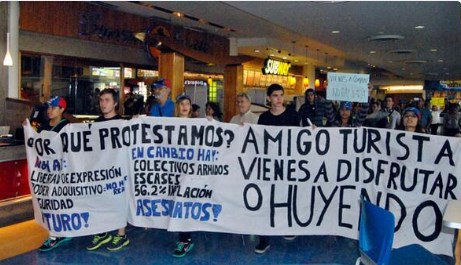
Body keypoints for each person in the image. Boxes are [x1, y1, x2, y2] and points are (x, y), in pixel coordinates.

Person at [255, 83, 300, 254]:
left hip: (288, 164)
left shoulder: (293, 115)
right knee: (267, 200)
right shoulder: (264, 118)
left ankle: (287, 227)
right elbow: (257, 140)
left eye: (281, 95)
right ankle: (264, 238)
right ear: (269, 98)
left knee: (286, 197)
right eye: (275, 95)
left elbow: (300, 138)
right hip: (269, 166)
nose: (279, 98)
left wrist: (312, 132)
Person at [86, 88, 130, 251]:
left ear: (115, 103)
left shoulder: (123, 124)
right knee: (100, 200)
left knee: (118, 201)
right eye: (101, 100)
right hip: (101, 170)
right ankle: (102, 231)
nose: (103, 103)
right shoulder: (95, 124)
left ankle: (121, 234)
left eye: (107, 100)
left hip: (118, 171)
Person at [38, 96, 72, 251]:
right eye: (49, 107)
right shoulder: (44, 125)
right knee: (49, 202)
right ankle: (58, 232)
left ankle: (55, 234)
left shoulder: (66, 127)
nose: (49, 110)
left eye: (53, 107)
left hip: (61, 173)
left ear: (62, 110)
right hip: (46, 172)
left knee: (57, 202)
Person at [172, 94, 195, 258]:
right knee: (177, 204)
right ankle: (183, 237)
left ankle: (185, 239)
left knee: (186, 203)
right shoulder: (169, 124)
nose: (184, 106)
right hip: (174, 171)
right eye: (182, 104)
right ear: (177, 107)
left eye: (187, 104)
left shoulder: (197, 124)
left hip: (191, 171)